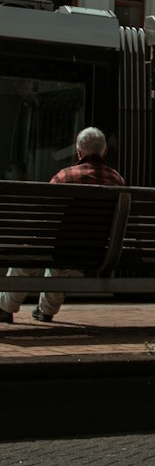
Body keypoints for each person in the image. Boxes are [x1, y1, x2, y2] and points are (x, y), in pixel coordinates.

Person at [0, 127, 124, 325]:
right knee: (61, 260)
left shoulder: (65, 177)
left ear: (79, 152)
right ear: (105, 152)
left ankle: (5, 309)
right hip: (99, 251)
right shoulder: (117, 180)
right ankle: (45, 310)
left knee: (29, 255)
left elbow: (44, 218)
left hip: (63, 249)